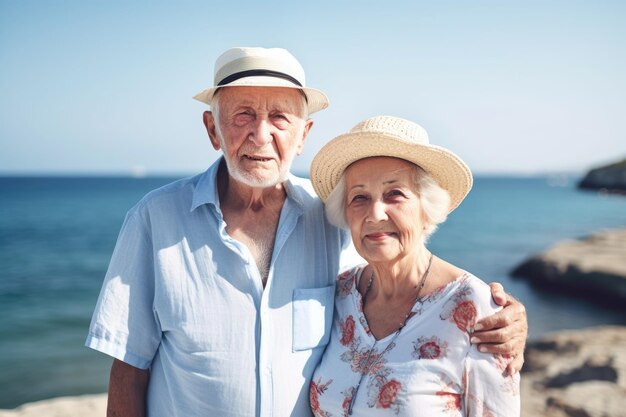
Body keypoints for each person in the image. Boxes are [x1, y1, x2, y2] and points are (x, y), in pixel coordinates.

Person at [86, 48, 527, 417]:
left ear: (303, 135)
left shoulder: (332, 220)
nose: (261, 134)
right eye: (242, 115)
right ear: (212, 130)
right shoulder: (154, 220)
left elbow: (404, 275)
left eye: (280, 117)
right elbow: (128, 368)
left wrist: (506, 323)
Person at [308, 115, 520, 416]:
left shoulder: (475, 308)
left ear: (427, 207)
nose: (375, 213)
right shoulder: (340, 294)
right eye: (360, 197)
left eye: (394, 194)